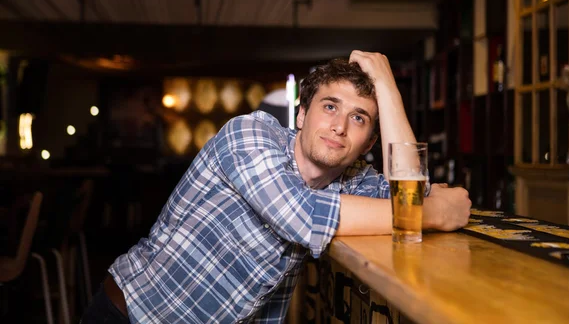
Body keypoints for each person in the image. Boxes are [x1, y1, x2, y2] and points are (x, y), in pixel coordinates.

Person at [81, 51, 471, 324]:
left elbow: (409, 201)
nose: (339, 126)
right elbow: (303, 215)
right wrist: (433, 212)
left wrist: (389, 89)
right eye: (330, 106)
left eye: (359, 118)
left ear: (370, 144)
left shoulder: (353, 181)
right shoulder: (249, 135)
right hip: (132, 315)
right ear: (301, 114)